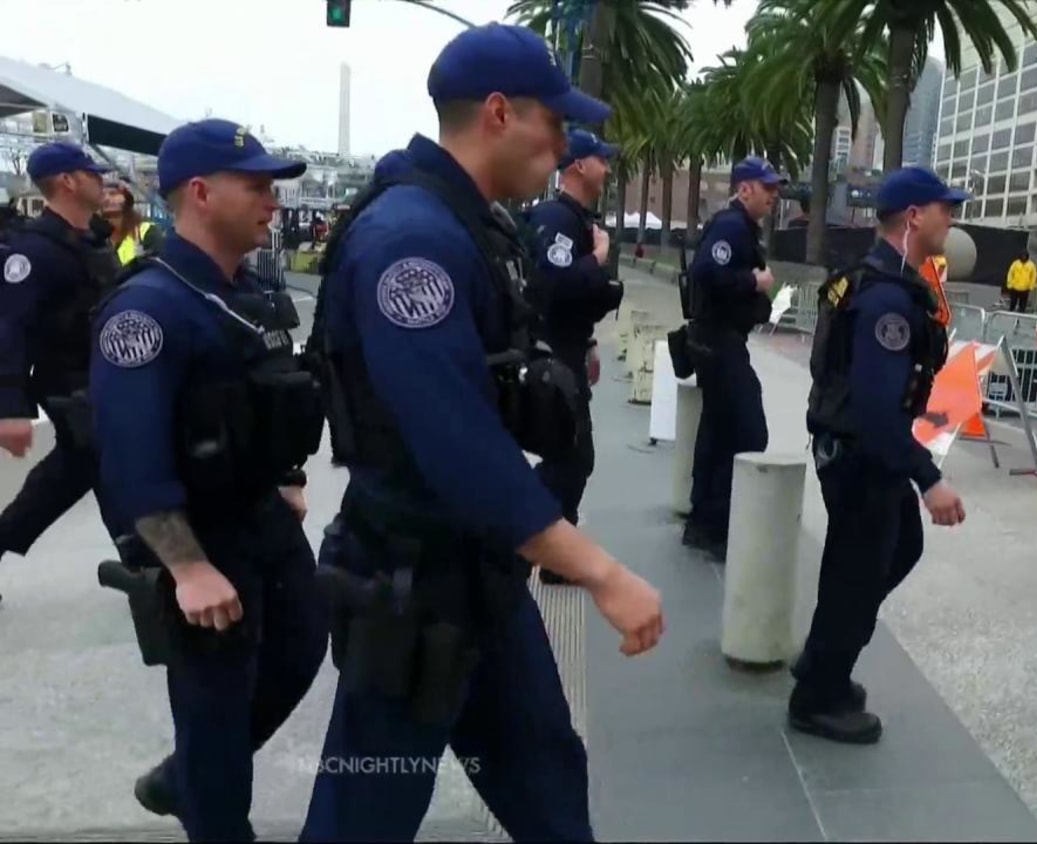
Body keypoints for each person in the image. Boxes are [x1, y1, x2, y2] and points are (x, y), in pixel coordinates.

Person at [299, 24, 663, 842]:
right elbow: (454, 442)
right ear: (499, 112)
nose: (567, 143)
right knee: (366, 811)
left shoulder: (477, 226)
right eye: (556, 121)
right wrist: (600, 572)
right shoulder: (412, 243)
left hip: (481, 577)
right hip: (411, 587)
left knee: (547, 777)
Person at [89, 119, 328, 841]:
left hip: (262, 518)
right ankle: (209, 806)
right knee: (217, 711)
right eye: (255, 186)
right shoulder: (148, 309)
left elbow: (274, 390)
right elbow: (129, 451)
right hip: (200, 535)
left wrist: (285, 474)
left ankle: (184, 776)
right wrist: (187, 567)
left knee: (302, 647)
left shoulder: (245, 292)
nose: (272, 202)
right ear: (199, 193)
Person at [796, 167, 968, 744]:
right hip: (858, 453)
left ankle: (825, 658)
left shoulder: (878, 283)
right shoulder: (886, 301)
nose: (953, 219)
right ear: (914, 217)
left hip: (861, 449)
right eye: (945, 209)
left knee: (892, 550)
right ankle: (817, 695)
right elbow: (874, 409)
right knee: (857, 569)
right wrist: (929, 478)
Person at [0, 142, 120, 606]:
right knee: (111, 466)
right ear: (68, 181)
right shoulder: (33, 251)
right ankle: (150, 565)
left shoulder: (92, 240)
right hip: (70, 386)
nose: (102, 181)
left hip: (103, 378)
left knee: (69, 475)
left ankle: (151, 564)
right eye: (92, 173)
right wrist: (9, 409)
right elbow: (9, 329)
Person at [525, 129, 625, 585]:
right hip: (550, 356)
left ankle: (553, 554)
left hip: (569, 348)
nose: (607, 168)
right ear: (580, 165)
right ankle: (532, 545)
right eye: (602, 160)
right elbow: (555, 286)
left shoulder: (579, 219)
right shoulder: (556, 219)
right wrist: (598, 260)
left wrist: (587, 340)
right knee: (568, 456)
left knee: (572, 456)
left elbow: (576, 299)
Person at [681, 157, 781, 560]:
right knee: (747, 431)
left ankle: (704, 521)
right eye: (767, 187)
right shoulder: (730, 226)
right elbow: (706, 272)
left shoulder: (740, 227)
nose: (774, 195)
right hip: (719, 342)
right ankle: (718, 522)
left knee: (717, 431)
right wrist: (752, 281)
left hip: (721, 340)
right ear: (745, 189)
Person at [103, 182, 163, 264]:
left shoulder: (147, 232)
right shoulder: (94, 236)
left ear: (127, 197)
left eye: (113, 193)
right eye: (101, 195)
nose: (106, 198)